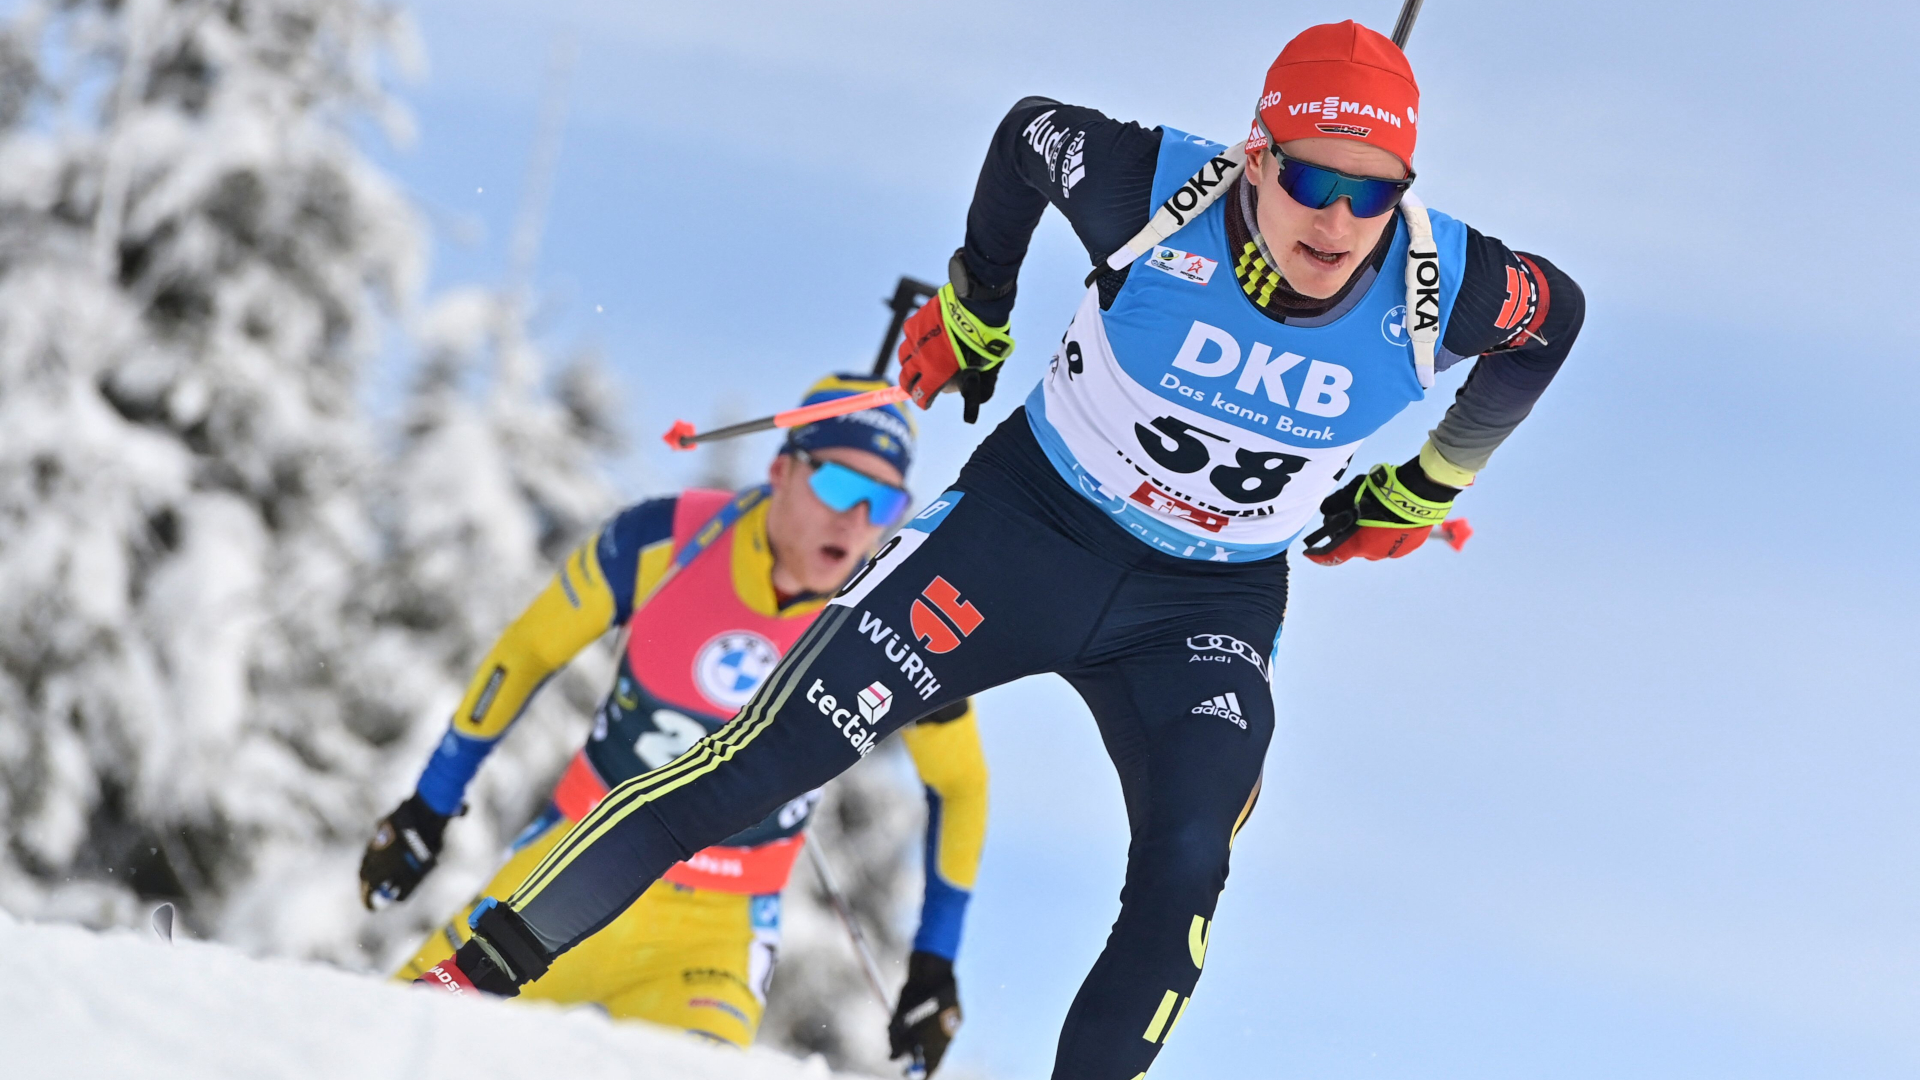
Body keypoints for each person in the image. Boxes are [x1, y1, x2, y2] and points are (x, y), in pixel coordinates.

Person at [409, 21, 1584, 1080]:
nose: (1338, 221)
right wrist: (980, 300)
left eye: (1372, 194)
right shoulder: (1154, 190)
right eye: (1314, 178)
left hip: (1202, 610)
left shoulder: (1446, 286)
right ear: (1259, 156)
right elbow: (1029, 137)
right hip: (1025, 534)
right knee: (762, 759)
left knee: (1185, 872)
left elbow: (1557, 318)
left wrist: (1429, 482)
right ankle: (470, 979)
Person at [361, 375, 985, 1069]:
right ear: (781, 470)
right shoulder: (669, 539)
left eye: (885, 502)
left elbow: (960, 784)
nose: (856, 519)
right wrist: (429, 805)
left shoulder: (892, 618)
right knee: (392, 1046)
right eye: (839, 486)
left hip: (713, 941)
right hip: (569, 868)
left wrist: (935, 962)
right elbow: (529, 652)